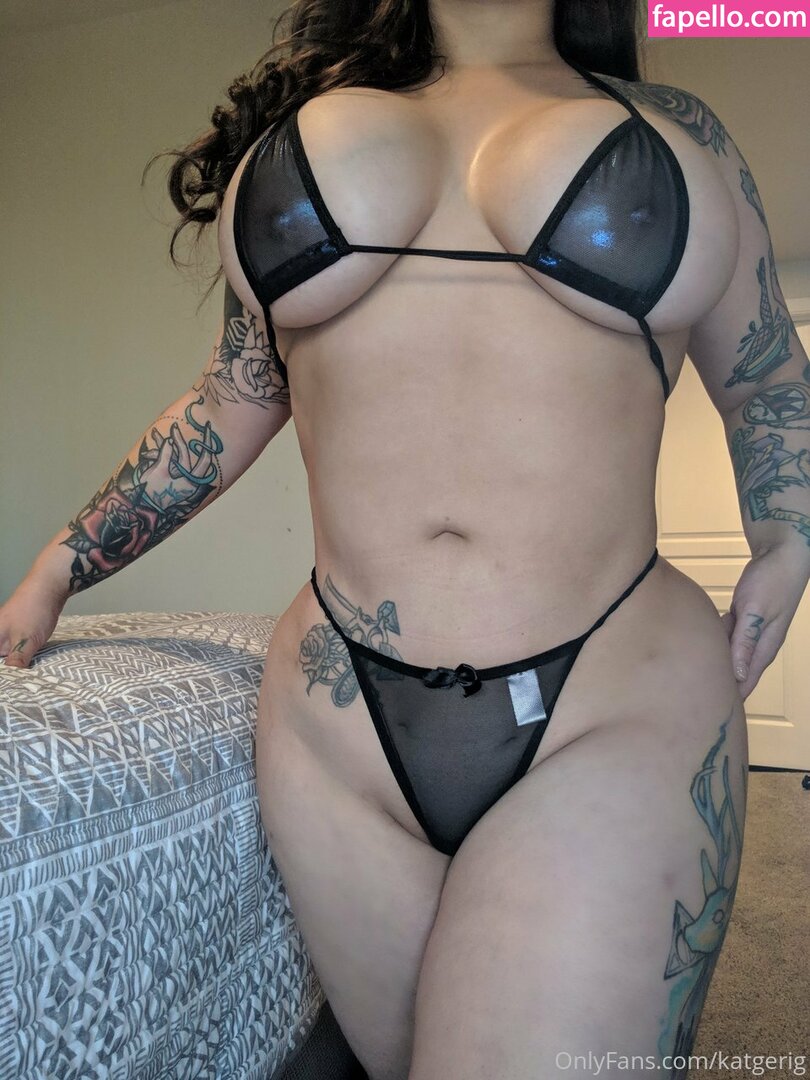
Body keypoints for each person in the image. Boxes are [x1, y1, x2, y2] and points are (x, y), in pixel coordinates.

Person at [2, 0, 809, 1077]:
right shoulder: (300, 136)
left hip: (613, 698)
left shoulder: (676, 130)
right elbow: (229, 402)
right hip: (339, 733)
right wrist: (59, 565)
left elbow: (765, 378)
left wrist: (789, 534)